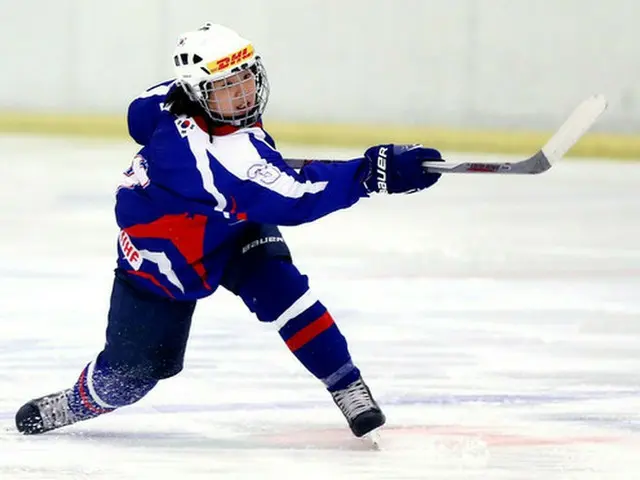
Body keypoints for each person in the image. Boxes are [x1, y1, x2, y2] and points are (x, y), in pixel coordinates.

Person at [15, 22, 442, 439]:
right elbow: (296, 196)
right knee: (131, 377)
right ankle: (80, 400)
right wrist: (374, 173)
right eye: (225, 87)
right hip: (168, 256)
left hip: (231, 223)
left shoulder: (169, 100)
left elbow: (138, 114)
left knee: (287, 294)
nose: (242, 93)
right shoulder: (215, 161)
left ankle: (346, 383)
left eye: (245, 78)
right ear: (199, 95)